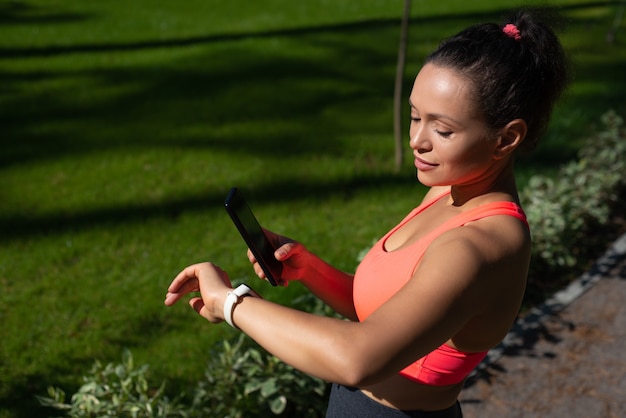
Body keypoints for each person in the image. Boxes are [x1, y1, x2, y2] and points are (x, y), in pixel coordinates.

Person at [164, 8, 570, 417]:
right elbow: (387, 316)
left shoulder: (479, 246)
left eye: (442, 130)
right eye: (414, 116)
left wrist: (231, 303)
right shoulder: (449, 191)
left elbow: (356, 358)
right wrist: (310, 269)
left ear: (507, 138)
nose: (416, 140)